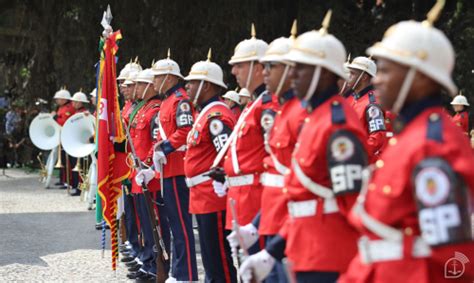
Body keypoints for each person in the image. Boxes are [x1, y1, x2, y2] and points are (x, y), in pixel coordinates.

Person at [339, 2, 474, 282]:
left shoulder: (434, 147)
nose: (378, 81)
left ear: (421, 78)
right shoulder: (411, 135)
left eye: (388, 71)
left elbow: (454, 259)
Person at [239, 12, 369, 283]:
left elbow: (350, 203)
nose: (293, 75)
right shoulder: (317, 116)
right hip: (304, 244)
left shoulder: (337, 125)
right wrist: (271, 251)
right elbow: (303, 196)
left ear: (323, 73)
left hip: (329, 252)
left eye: (300, 68)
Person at [221, 25, 278, 256]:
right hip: (240, 196)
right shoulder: (255, 103)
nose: (234, 71)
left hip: (256, 197)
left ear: (258, 67)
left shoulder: (267, 104)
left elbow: (274, 157)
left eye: (239, 65)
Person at [183, 50, 237, 283]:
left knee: (218, 260)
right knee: (209, 257)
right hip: (202, 195)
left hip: (212, 195)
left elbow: (225, 155)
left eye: (192, 83)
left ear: (206, 86)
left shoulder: (216, 116)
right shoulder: (205, 114)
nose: (188, 88)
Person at [150, 51, 198, 282]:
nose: (154, 82)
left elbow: (186, 132)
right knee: (174, 224)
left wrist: (165, 148)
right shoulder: (167, 101)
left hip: (179, 170)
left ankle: (186, 273)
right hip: (168, 171)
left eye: (158, 77)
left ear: (170, 78)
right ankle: (180, 272)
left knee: (181, 227)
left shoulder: (181, 101)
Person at [129, 69, 171, 282]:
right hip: (138, 174)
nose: (134, 88)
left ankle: (160, 264)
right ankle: (149, 263)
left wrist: (145, 164)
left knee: (156, 225)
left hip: (150, 176)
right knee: (144, 224)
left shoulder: (155, 109)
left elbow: (156, 140)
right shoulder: (142, 108)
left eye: (138, 84)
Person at [345, 56, 388, 161]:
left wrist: (357, 153)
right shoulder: (350, 98)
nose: (348, 77)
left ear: (364, 77)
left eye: (352, 74)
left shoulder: (372, 104)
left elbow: (378, 137)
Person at [67, 90, 91, 196]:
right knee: (77, 167)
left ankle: (81, 188)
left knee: (82, 169)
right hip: (77, 143)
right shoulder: (77, 113)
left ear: (80, 102)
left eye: (75, 102)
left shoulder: (85, 113)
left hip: (83, 144)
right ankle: (77, 187)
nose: (73, 104)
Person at [52, 88, 76, 189]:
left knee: (68, 161)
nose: (57, 101)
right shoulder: (61, 107)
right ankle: (63, 179)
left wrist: (55, 118)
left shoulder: (69, 108)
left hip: (67, 136)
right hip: (61, 137)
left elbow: (65, 122)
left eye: (58, 99)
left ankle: (68, 181)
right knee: (62, 160)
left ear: (64, 99)